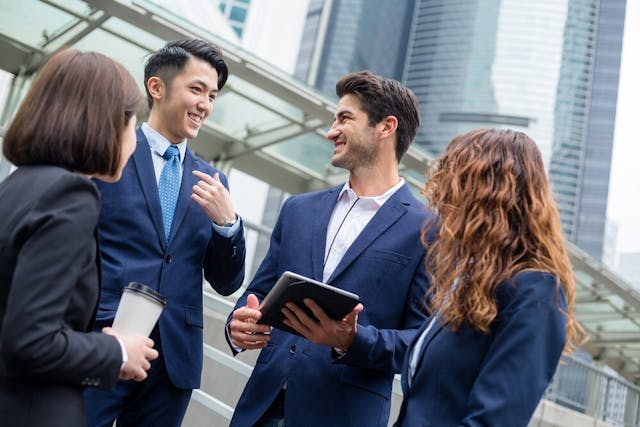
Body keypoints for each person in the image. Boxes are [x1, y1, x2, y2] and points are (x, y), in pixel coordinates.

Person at [227, 70, 435, 427]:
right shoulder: (298, 209)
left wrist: (352, 340)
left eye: (344, 118)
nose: (331, 131)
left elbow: (421, 345)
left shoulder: (427, 230)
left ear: (386, 127)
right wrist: (238, 323)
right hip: (260, 409)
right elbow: (258, 292)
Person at [83, 39, 246, 427]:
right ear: (156, 88)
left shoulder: (213, 180)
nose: (205, 104)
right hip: (104, 338)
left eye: (212, 95)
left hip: (174, 358)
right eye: (196, 89)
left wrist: (227, 224)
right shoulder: (111, 152)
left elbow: (227, 284)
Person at [0, 49, 158, 427]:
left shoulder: (16, 186)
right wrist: (117, 351)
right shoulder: (72, 195)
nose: (134, 143)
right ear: (106, 124)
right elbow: (30, 342)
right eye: (132, 126)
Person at [394, 128, 585, 426]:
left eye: (454, 182)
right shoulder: (468, 283)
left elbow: (494, 420)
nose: (439, 194)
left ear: (486, 196)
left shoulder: (537, 292)